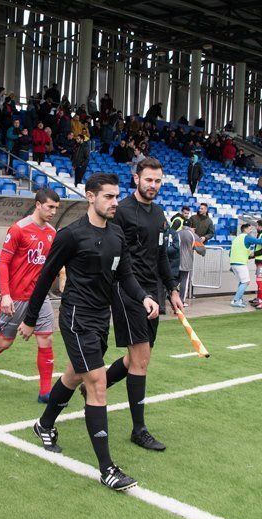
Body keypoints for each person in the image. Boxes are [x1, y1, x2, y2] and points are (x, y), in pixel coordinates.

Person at [19, 173, 159, 490]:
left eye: (115, 197)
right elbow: (45, 278)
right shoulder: (71, 235)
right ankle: (107, 469)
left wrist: (144, 297)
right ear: (90, 196)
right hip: (76, 318)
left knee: (74, 375)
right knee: (96, 383)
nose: (114, 203)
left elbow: (126, 275)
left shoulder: (117, 235)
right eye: (108, 197)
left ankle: (43, 424)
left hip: (100, 318)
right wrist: (29, 318)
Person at [101, 158, 185, 453]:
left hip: (154, 291)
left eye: (158, 181)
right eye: (148, 179)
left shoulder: (160, 213)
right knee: (141, 359)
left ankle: (94, 385)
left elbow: (162, 256)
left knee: (136, 358)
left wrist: (172, 290)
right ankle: (139, 430)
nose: (153, 185)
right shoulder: (121, 211)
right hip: (127, 291)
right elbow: (114, 255)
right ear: (136, 178)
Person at [0, 188, 60, 400]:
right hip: (16, 296)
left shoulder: (52, 233)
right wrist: (6, 295)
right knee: (4, 342)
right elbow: (3, 263)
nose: (53, 212)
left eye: (56, 208)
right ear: (38, 205)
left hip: (39, 297)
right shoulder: (19, 229)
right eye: (50, 207)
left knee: (45, 339)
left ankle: (45, 392)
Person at [228, 223, 262, 308]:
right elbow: (260, 241)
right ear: (245, 229)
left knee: (242, 281)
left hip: (233, 263)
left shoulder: (236, 238)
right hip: (240, 263)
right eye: (250, 229)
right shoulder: (247, 237)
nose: (251, 230)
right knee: (246, 282)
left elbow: (230, 253)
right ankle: (235, 300)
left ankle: (239, 300)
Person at [177, 225, 204, 304]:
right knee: (184, 281)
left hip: (175, 261)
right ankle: (181, 301)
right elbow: (201, 249)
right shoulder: (193, 235)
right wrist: (202, 253)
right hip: (186, 262)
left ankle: (171, 298)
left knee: (173, 281)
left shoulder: (177, 233)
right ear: (190, 227)